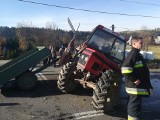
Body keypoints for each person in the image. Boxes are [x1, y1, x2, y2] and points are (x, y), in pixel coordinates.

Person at [121, 36, 153, 120]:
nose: (142, 44)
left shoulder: (136, 54)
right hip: (135, 88)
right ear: (134, 44)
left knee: (133, 107)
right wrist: (134, 79)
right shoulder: (134, 54)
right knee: (134, 108)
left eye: (142, 43)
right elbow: (124, 69)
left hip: (136, 88)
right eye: (140, 43)